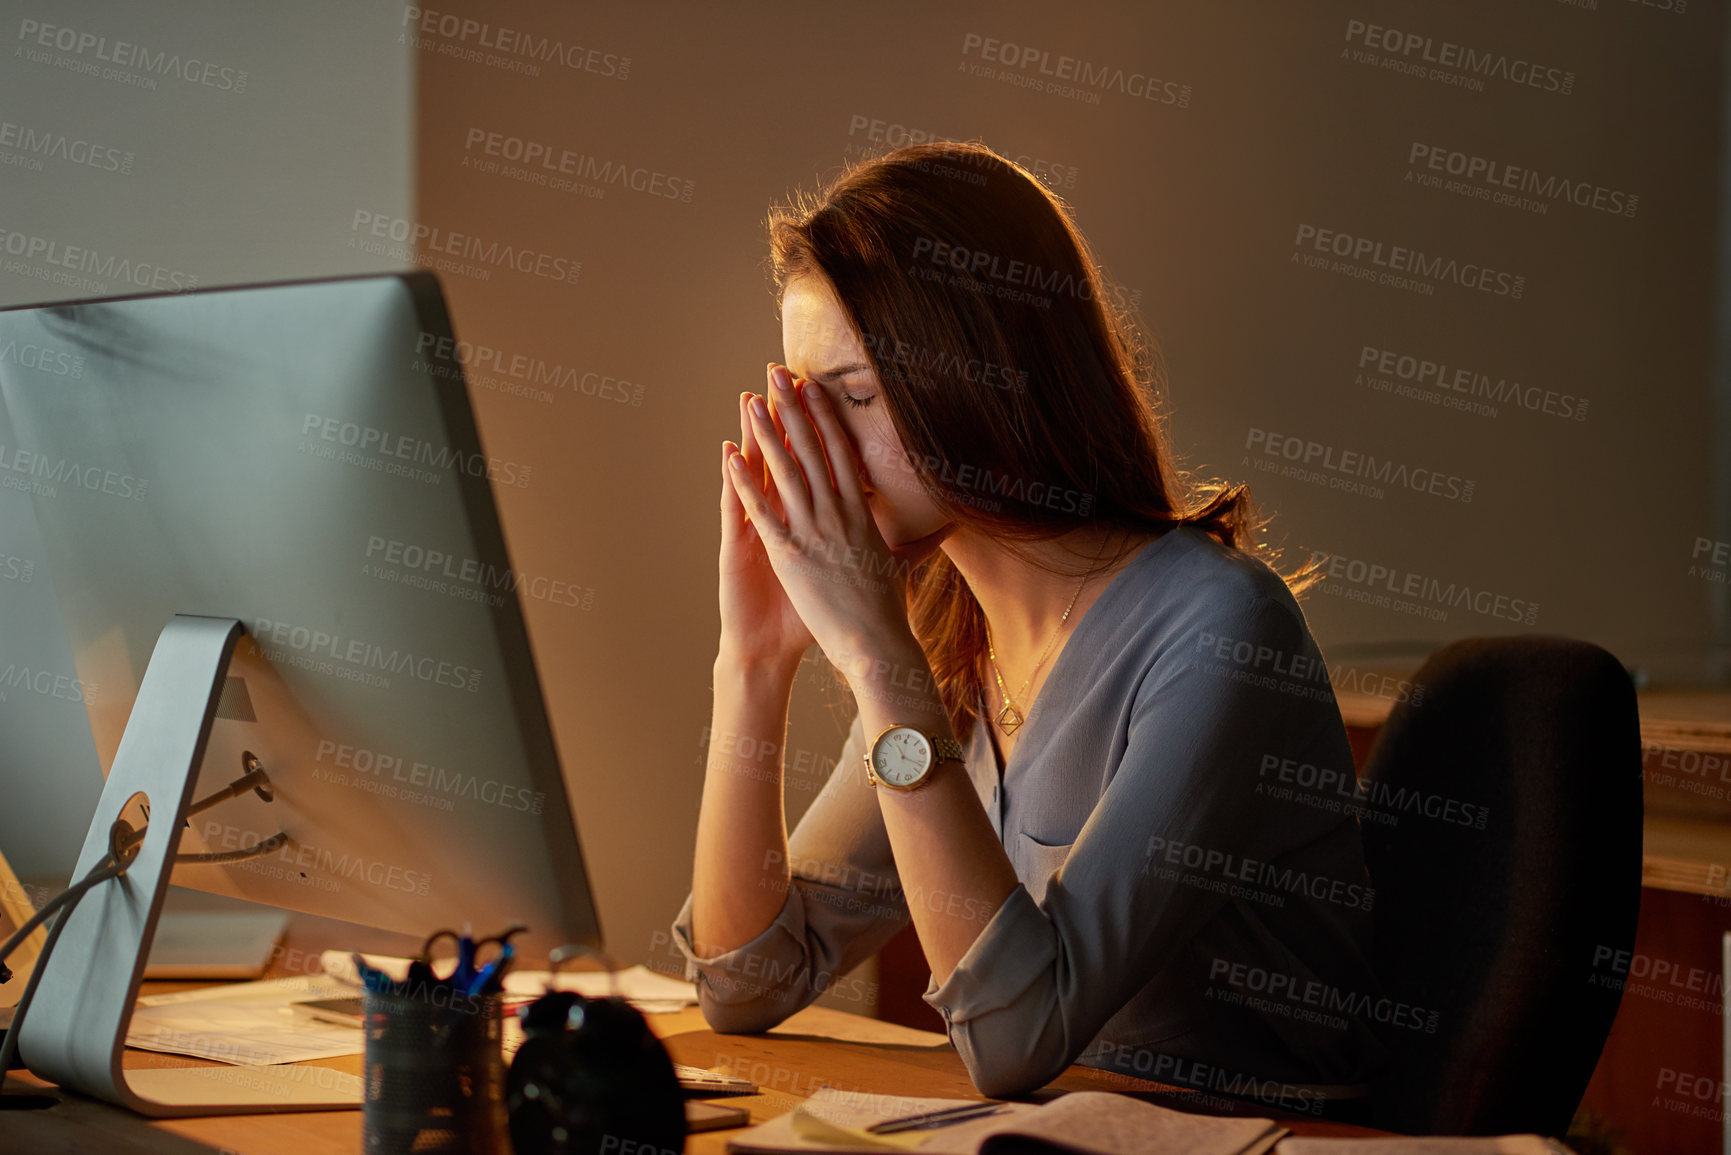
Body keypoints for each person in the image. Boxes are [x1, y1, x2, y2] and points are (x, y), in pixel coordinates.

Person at [670, 141, 1384, 1107]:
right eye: (802, 400)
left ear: (985, 378)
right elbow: (742, 982)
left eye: (856, 396)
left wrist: (878, 659)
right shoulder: (943, 637)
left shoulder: (1221, 629)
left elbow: (1015, 1036)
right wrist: (752, 660)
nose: (818, 450)